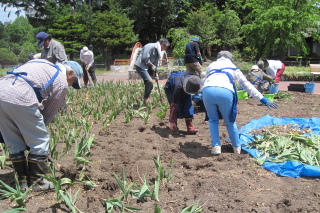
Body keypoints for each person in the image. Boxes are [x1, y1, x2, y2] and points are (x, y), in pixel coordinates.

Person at [0, 59, 83, 191]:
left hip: (2, 90)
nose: (71, 86)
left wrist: (26, 132)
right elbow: (49, 112)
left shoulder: (43, 63)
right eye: (73, 82)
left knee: (13, 141)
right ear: (70, 73)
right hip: (20, 95)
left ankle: (22, 181)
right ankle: (36, 181)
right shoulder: (61, 82)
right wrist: (34, 135)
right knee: (40, 140)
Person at [202, 51, 278, 155]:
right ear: (230, 58)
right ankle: (236, 148)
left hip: (207, 91)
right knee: (229, 121)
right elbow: (246, 85)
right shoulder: (233, 67)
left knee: (213, 120)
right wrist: (262, 98)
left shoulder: (211, 66)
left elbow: (204, 79)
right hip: (225, 91)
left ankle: (216, 146)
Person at [134, 38, 170, 103]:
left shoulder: (158, 51)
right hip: (141, 66)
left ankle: (147, 97)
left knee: (150, 84)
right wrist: (152, 65)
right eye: (166, 47)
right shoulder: (150, 46)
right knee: (149, 81)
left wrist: (155, 72)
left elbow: (155, 62)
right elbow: (145, 58)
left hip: (148, 67)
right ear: (162, 45)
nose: (165, 49)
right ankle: (146, 98)